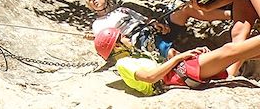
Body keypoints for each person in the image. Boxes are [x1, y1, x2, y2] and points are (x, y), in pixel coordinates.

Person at [94, 27, 260, 95]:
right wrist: (180, 57)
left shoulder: (133, 58)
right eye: (122, 38)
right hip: (175, 76)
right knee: (229, 51)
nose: (127, 37)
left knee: (236, 54)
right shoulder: (123, 64)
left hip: (177, 74)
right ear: (116, 47)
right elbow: (150, 77)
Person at [84, 0, 174, 58]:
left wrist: (155, 24)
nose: (93, 0)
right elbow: (104, 43)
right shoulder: (97, 25)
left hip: (147, 30)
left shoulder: (122, 9)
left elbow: (144, 20)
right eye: (90, 0)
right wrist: (94, 38)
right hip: (136, 40)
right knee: (171, 52)